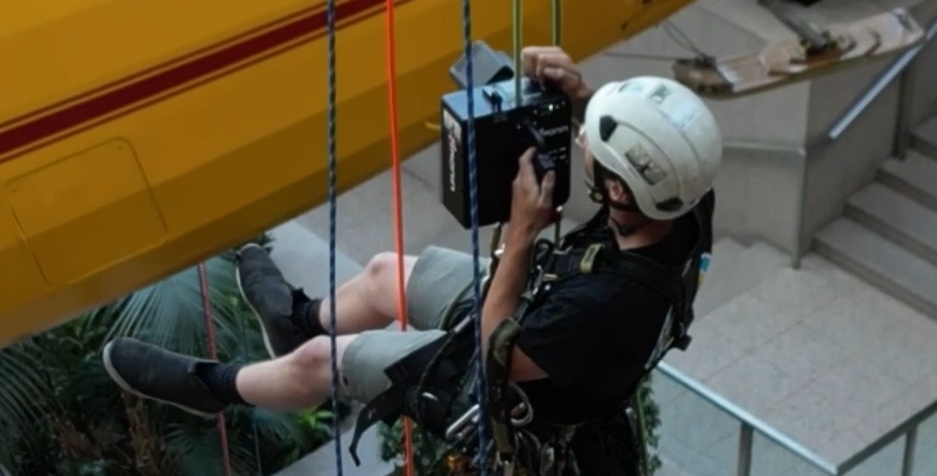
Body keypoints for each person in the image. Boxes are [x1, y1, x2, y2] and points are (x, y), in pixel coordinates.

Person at [102, 48, 723, 441]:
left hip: (511, 372)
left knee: (323, 365)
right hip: (543, 300)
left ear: (616, 189)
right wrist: (583, 93)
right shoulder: (682, 197)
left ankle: (213, 389)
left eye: (593, 146)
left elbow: (493, 353)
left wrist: (523, 233)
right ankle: (297, 321)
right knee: (380, 274)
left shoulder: (605, 307)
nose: (581, 142)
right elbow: (638, 158)